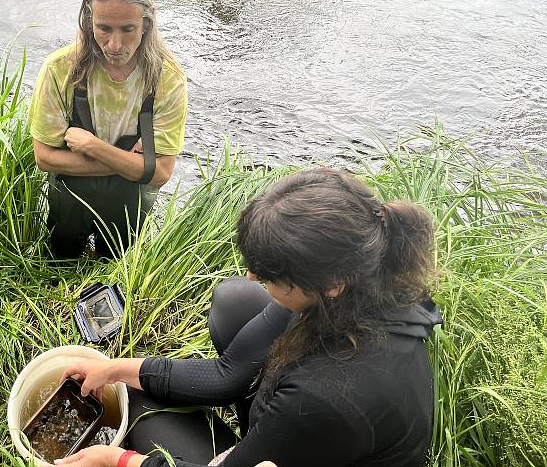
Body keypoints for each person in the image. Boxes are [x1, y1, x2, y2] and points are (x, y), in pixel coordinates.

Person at [54, 168, 442, 467]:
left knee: (142, 409)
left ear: (331, 283)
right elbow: (229, 374)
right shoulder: (356, 290)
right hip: (304, 431)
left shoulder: (325, 398)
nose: (255, 276)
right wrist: (115, 369)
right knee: (235, 300)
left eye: (271, 274)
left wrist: (118, 459)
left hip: (313, 432)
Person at [29, 0, 187, 259]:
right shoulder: (59, 70)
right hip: (69, 202)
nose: (115, 45)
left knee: (115, 269)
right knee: (57, 264)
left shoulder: (167, 79)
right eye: (104, 28)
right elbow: (44, 158)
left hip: (129, 209)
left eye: (128, 30)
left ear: (147, 22)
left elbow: (162, 173)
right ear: (89, 22)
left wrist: (93, 147)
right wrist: (135, 166)